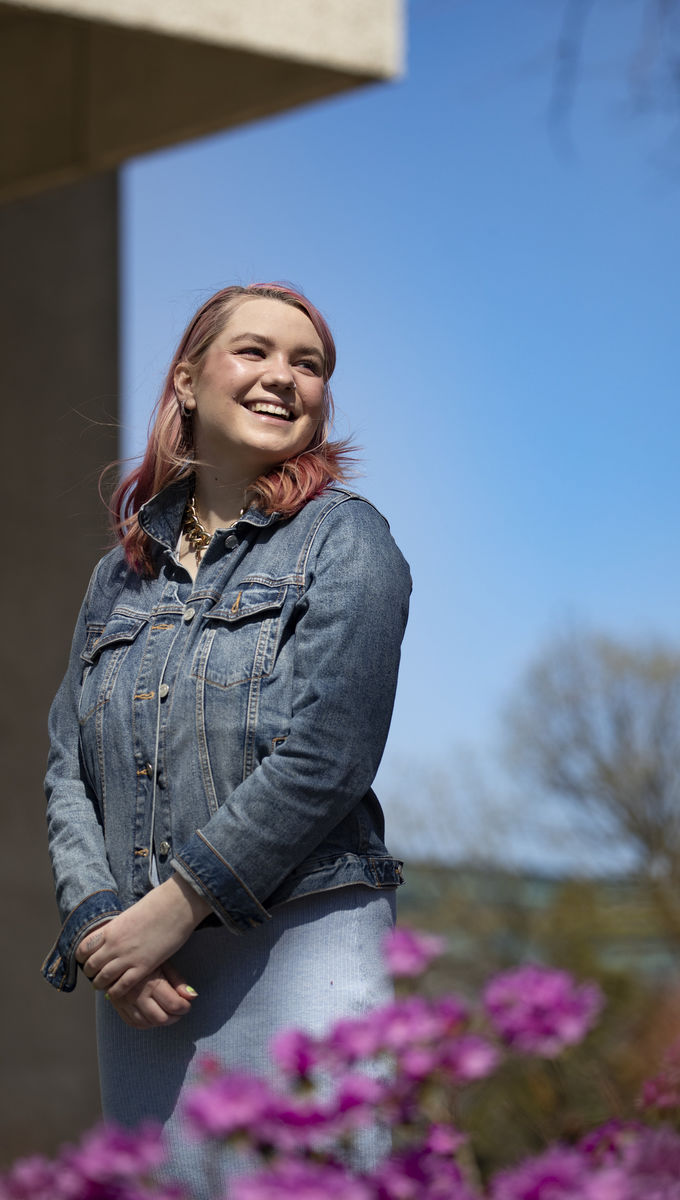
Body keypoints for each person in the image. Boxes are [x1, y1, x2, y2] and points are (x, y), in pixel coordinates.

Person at [42, 283, 411, 1188]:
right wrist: (102, 930)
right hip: (144, 985)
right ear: (187, 381)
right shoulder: (116, 578)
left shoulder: (347, 540)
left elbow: (329, 755)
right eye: (255, 352)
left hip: (302, 943)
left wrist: (169, 910)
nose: (284, 377)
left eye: (309, 364)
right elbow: (68, 766)